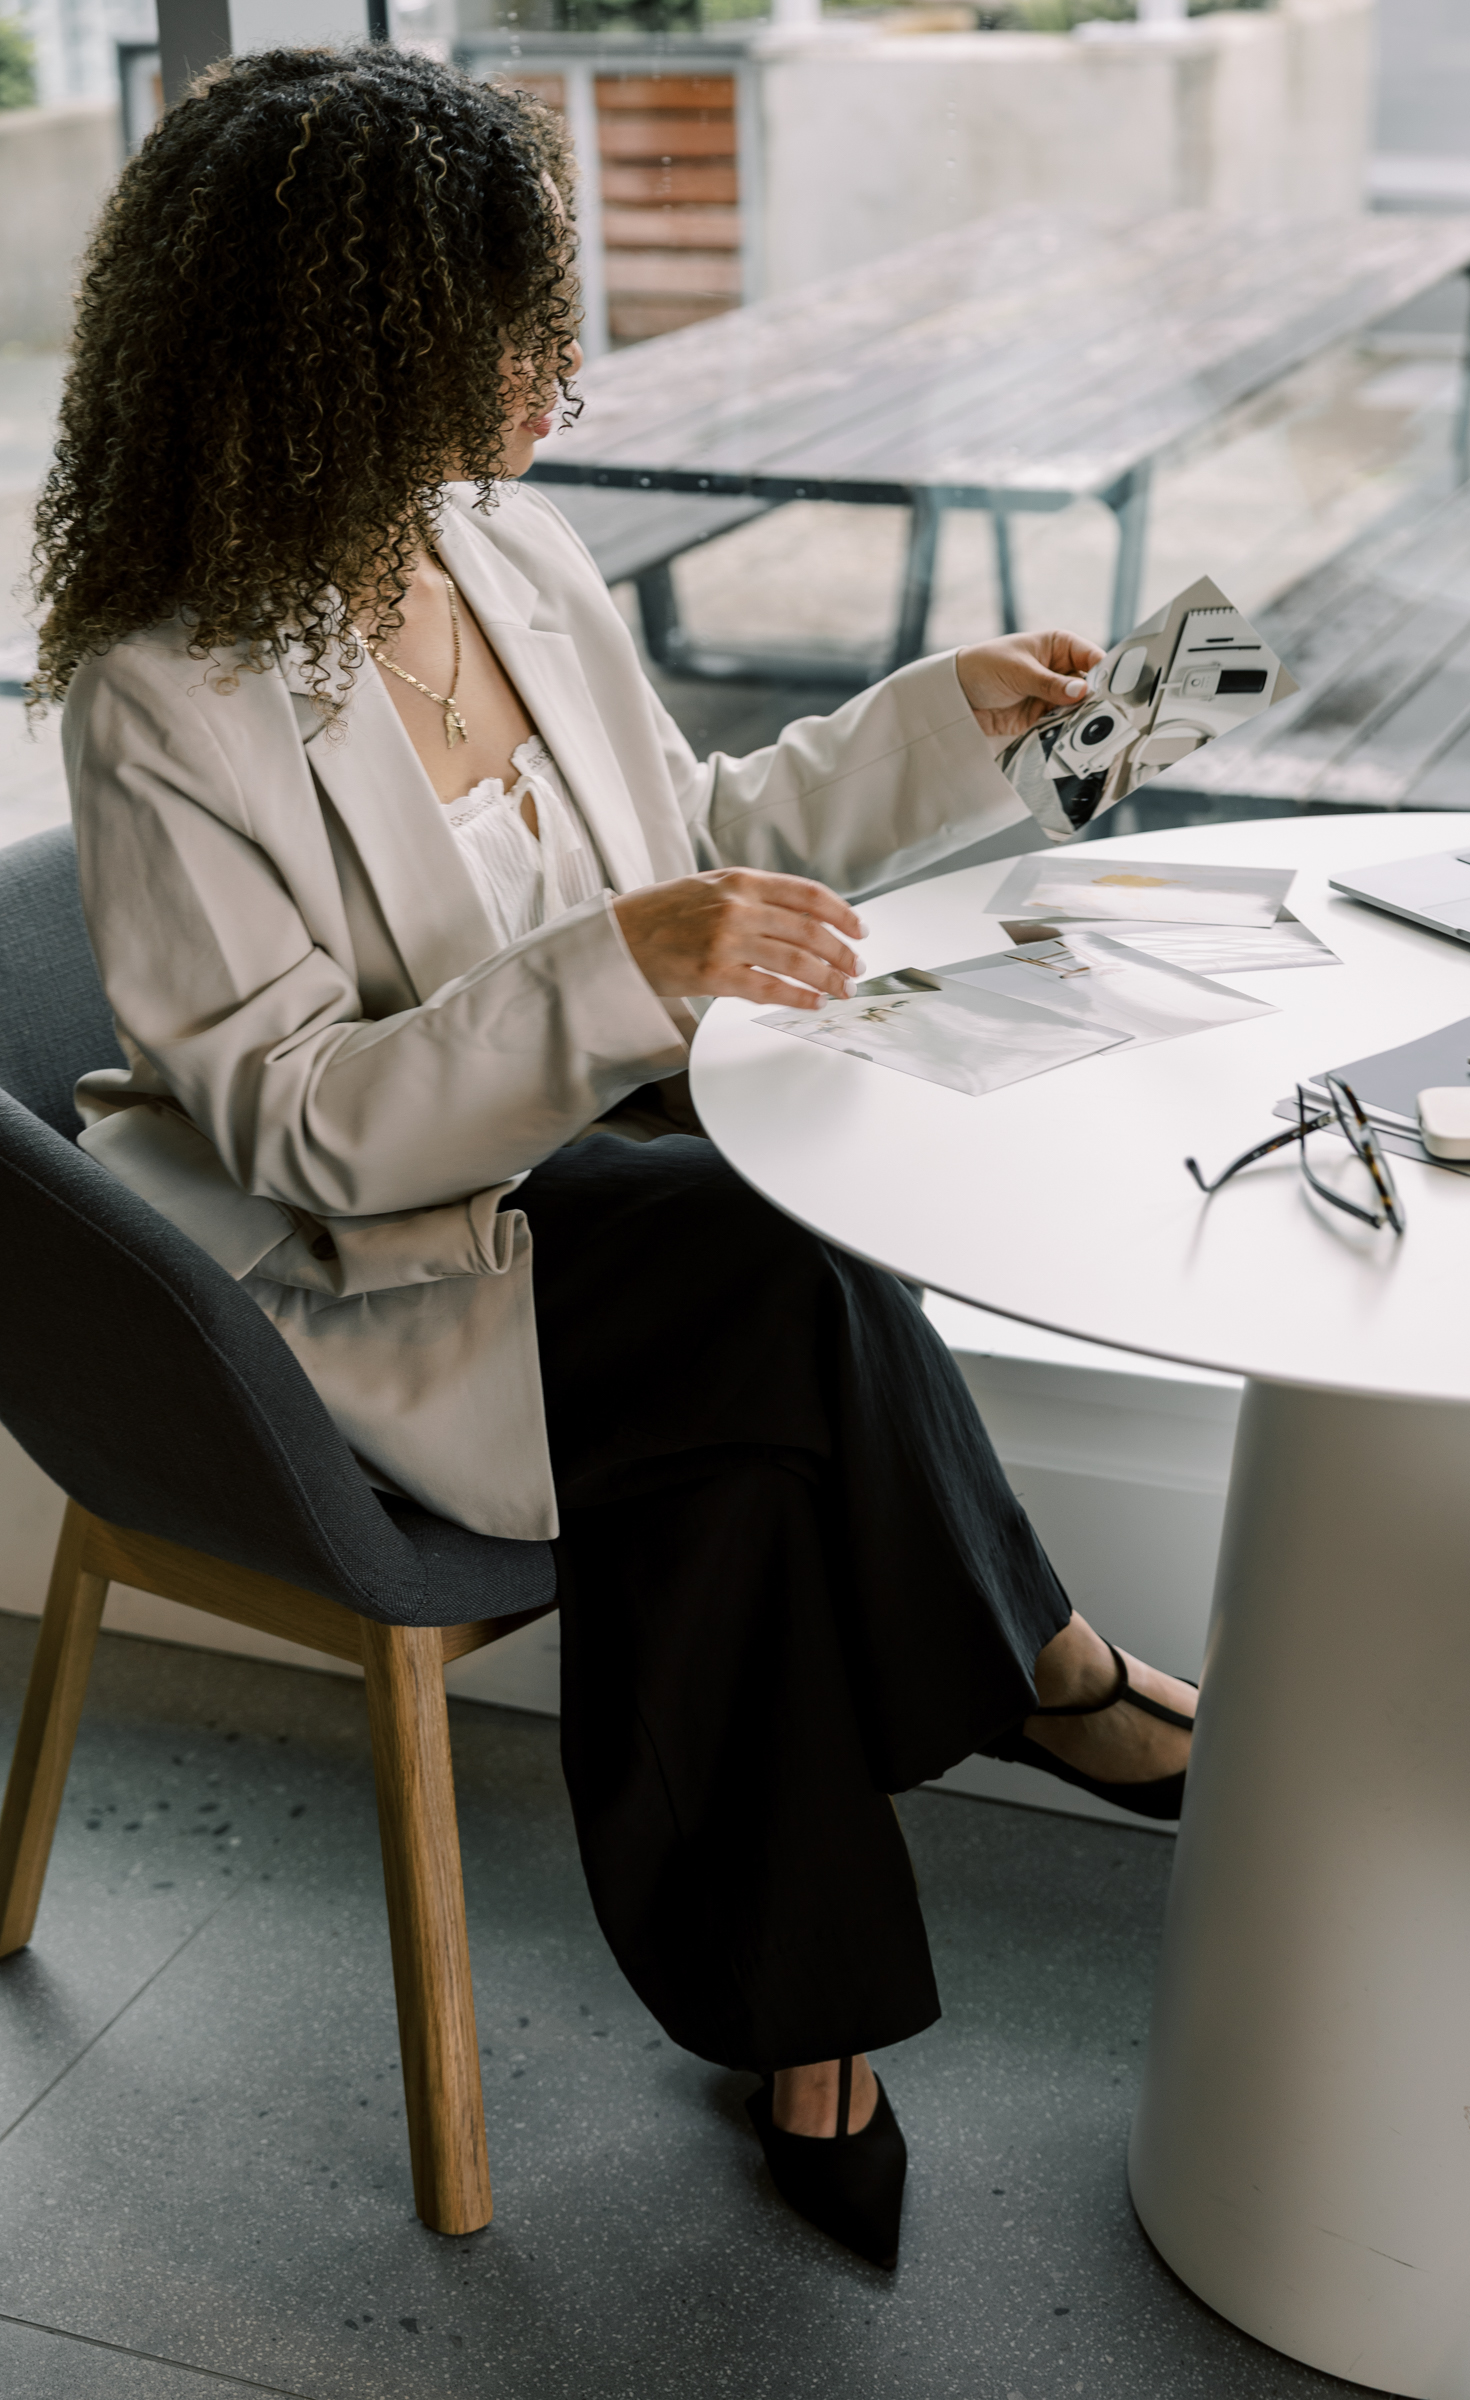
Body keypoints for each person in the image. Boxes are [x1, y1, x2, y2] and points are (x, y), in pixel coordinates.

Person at [32, 43, 1196, 2269]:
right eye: (506, 325)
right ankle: (1043, 1668)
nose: (555, 370)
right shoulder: (164, 691)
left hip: (615, 1217)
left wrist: (938, 724)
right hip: (346, 1267)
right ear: (340, 352)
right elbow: (299, 1117)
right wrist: (622, 980)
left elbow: (698, 850)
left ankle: (811, 2026)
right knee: (765, 1262)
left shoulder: (505, 552)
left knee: (730, 1411)